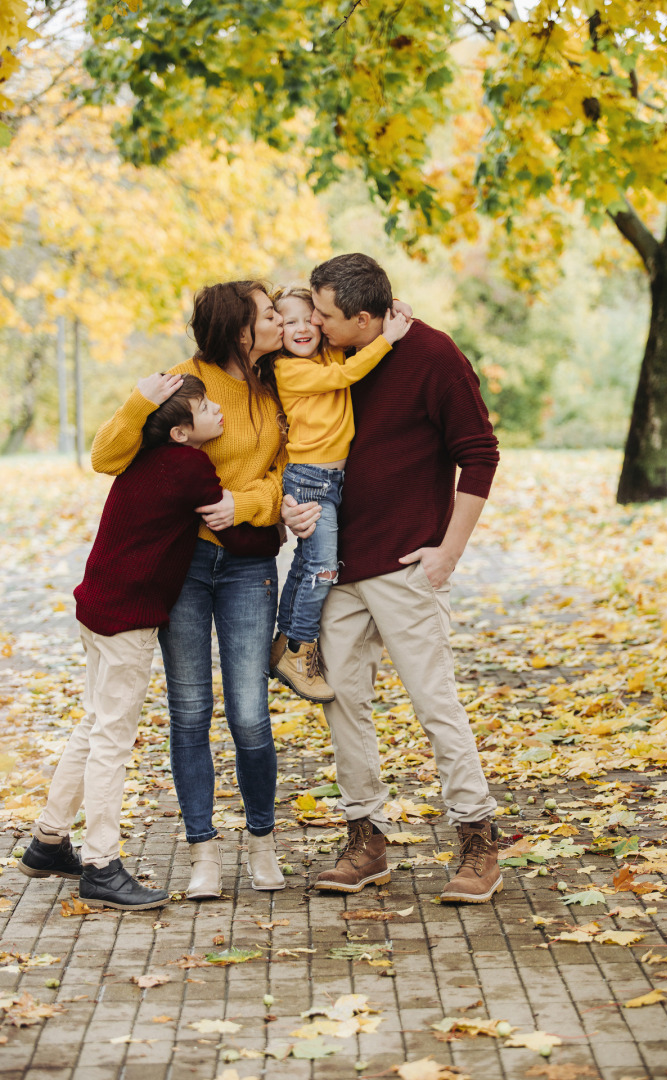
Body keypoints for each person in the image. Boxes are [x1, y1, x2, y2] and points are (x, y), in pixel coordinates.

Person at [282, 253, 502, 904]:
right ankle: (366, 838)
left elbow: (480, 456)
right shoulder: (322, 361)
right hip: (336, 568)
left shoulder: (433, 355)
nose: (313, 321)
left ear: (365, 317)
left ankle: (478, 840)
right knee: (343, 704)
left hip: (407, 567)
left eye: (324, 313)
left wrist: (449, 553)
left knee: (436, 705)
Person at [89, 281, 288, 900]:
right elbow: (106, 456)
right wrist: (135, 402)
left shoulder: (282, 385)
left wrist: (246, 501)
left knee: (251, 714)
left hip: (249, 564)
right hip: (184, 567)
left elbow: (291, 474)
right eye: (269, 314)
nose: (282, 320)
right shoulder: (184, 382)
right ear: (239, 330)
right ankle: (202, 852)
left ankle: (262, 842)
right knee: (190, 711)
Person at [20, 376, 226, 910]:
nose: (219, 410)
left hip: (97, 606)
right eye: (207, 407)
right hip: (126, 620)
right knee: (112, 737)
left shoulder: (147, 455)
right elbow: (236, 534)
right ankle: (101, 865)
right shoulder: (191, 467)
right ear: (182, 432)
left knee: (94, 723)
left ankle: (48, 840)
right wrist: (280, 522)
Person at [269, 286, 409, 703]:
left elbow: (353, 324)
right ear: (277, 332)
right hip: (309, 479)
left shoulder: (328, 352)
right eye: (287, 321)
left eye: (308, 318)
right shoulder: (287, 369)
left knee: (309, 563)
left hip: (331, 481)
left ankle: (284, 642)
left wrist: (396, 308)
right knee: (324, 567)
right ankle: (299, 650)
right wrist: (388, 339)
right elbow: (344, 376)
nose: (301, 327)